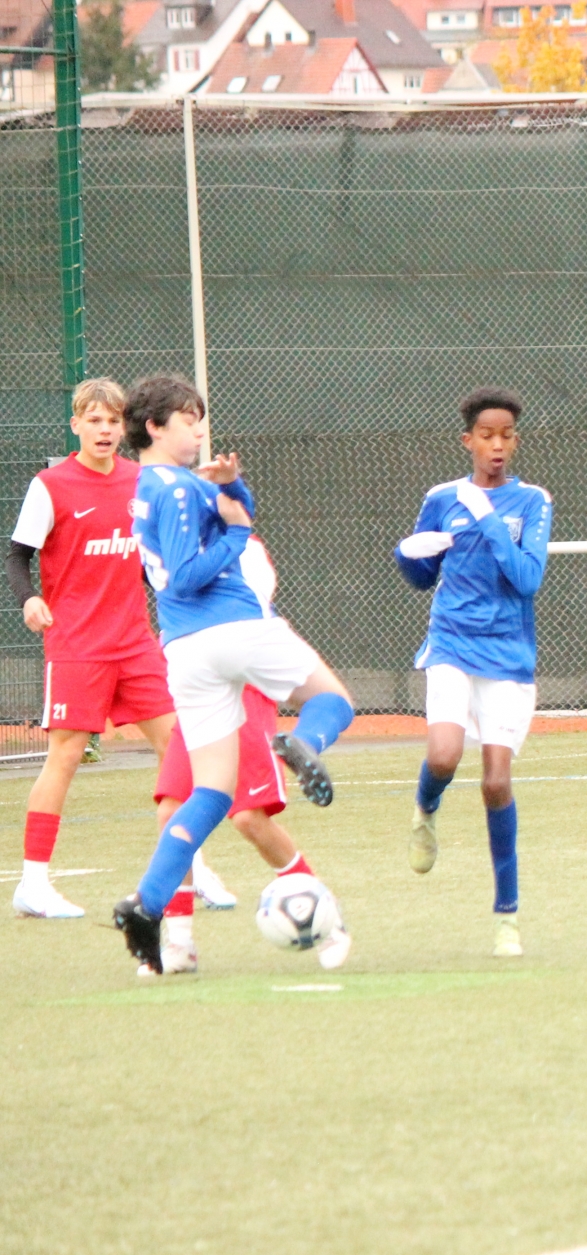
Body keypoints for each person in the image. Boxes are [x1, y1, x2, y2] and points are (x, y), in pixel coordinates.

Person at [110, 374, 357, 976]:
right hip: (234, 628)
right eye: (188, 420)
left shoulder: (151, 486)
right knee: (333, 701)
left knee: (211, 793)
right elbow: (190, 573)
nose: (199, 431)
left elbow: (227, 508)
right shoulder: (175, 488)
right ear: (154, 427)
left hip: (185, 651)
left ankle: (148, 903)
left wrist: (232, 485)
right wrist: (239, 532)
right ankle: (305, 743)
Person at [6, 378, 233, 919]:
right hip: (77, 645)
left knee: (179, 747)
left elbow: (160, 558)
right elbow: (16, 556)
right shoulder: (51, 485)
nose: (104, 430)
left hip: (135, 643)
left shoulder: (142, 480)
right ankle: (33, 883)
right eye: (94, 420)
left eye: (113, 421)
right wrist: (30, 598)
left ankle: (192, 867)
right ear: (76, 425)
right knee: (65, 755)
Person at [145, 533, 350, 975]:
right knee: (171, 810)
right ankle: (179, 944)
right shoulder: (169, 542)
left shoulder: (243, 547)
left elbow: (251, 605)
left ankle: (329, 924)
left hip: (243, 683)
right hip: (198, 686)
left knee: (249, 818)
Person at [396, 388, 552, 960]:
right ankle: (425, 810)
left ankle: (507, 916)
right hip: (452, 644)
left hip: (508, 655)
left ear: (516, 440)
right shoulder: (442, 498)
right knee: (442, 756)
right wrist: (408, 554)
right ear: (468, 440)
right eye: (486, 436)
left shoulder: (532, 501)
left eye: (506, 435)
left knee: (495, 784)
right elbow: (421, 577)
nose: (497, 445)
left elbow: (527, 579)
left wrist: (487, 520)